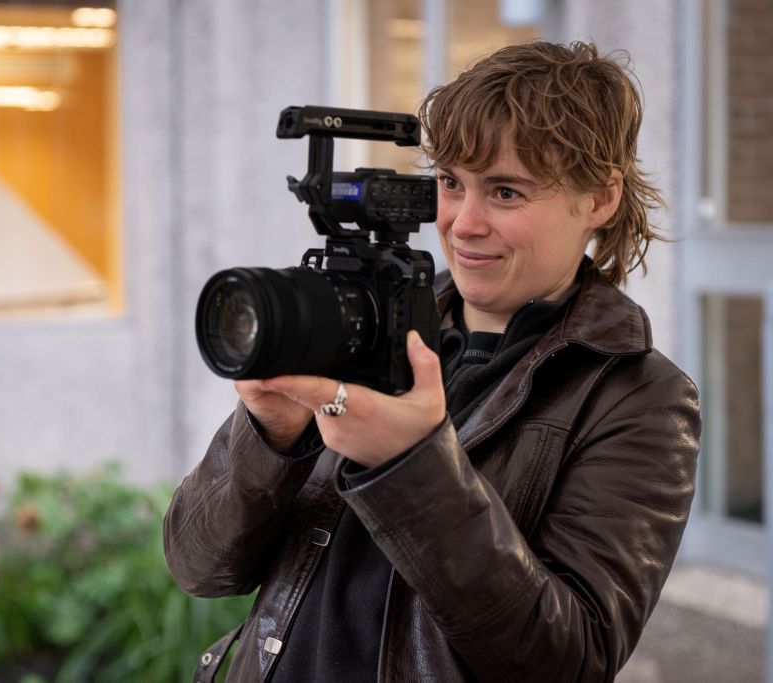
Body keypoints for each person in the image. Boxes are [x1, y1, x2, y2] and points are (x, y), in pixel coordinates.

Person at [164, 40, 700, 682]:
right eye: (450, 183)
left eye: (505, 192)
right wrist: (270, 440)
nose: (463, 223)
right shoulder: (359, 325)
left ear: (600, 198)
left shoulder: (640, 398)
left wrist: (410, 466)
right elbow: (197, 566)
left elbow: (569, 659)